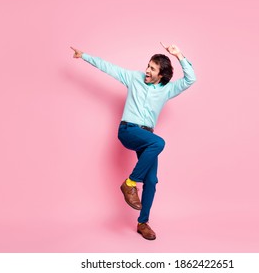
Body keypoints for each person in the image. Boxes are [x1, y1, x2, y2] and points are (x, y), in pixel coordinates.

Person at [70, 43, 196, 240]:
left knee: (152, 181)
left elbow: (191, 78)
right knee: (159, 143)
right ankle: (129, 183)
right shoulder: (134, 78)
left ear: (161, 74)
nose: (147, 70)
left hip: (146, 137)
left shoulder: (168, 90)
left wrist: (179, 54)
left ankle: (142, 223)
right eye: (148, 65)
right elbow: (108, 67)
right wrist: (84, 55)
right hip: (128, 130)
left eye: (152, 68)